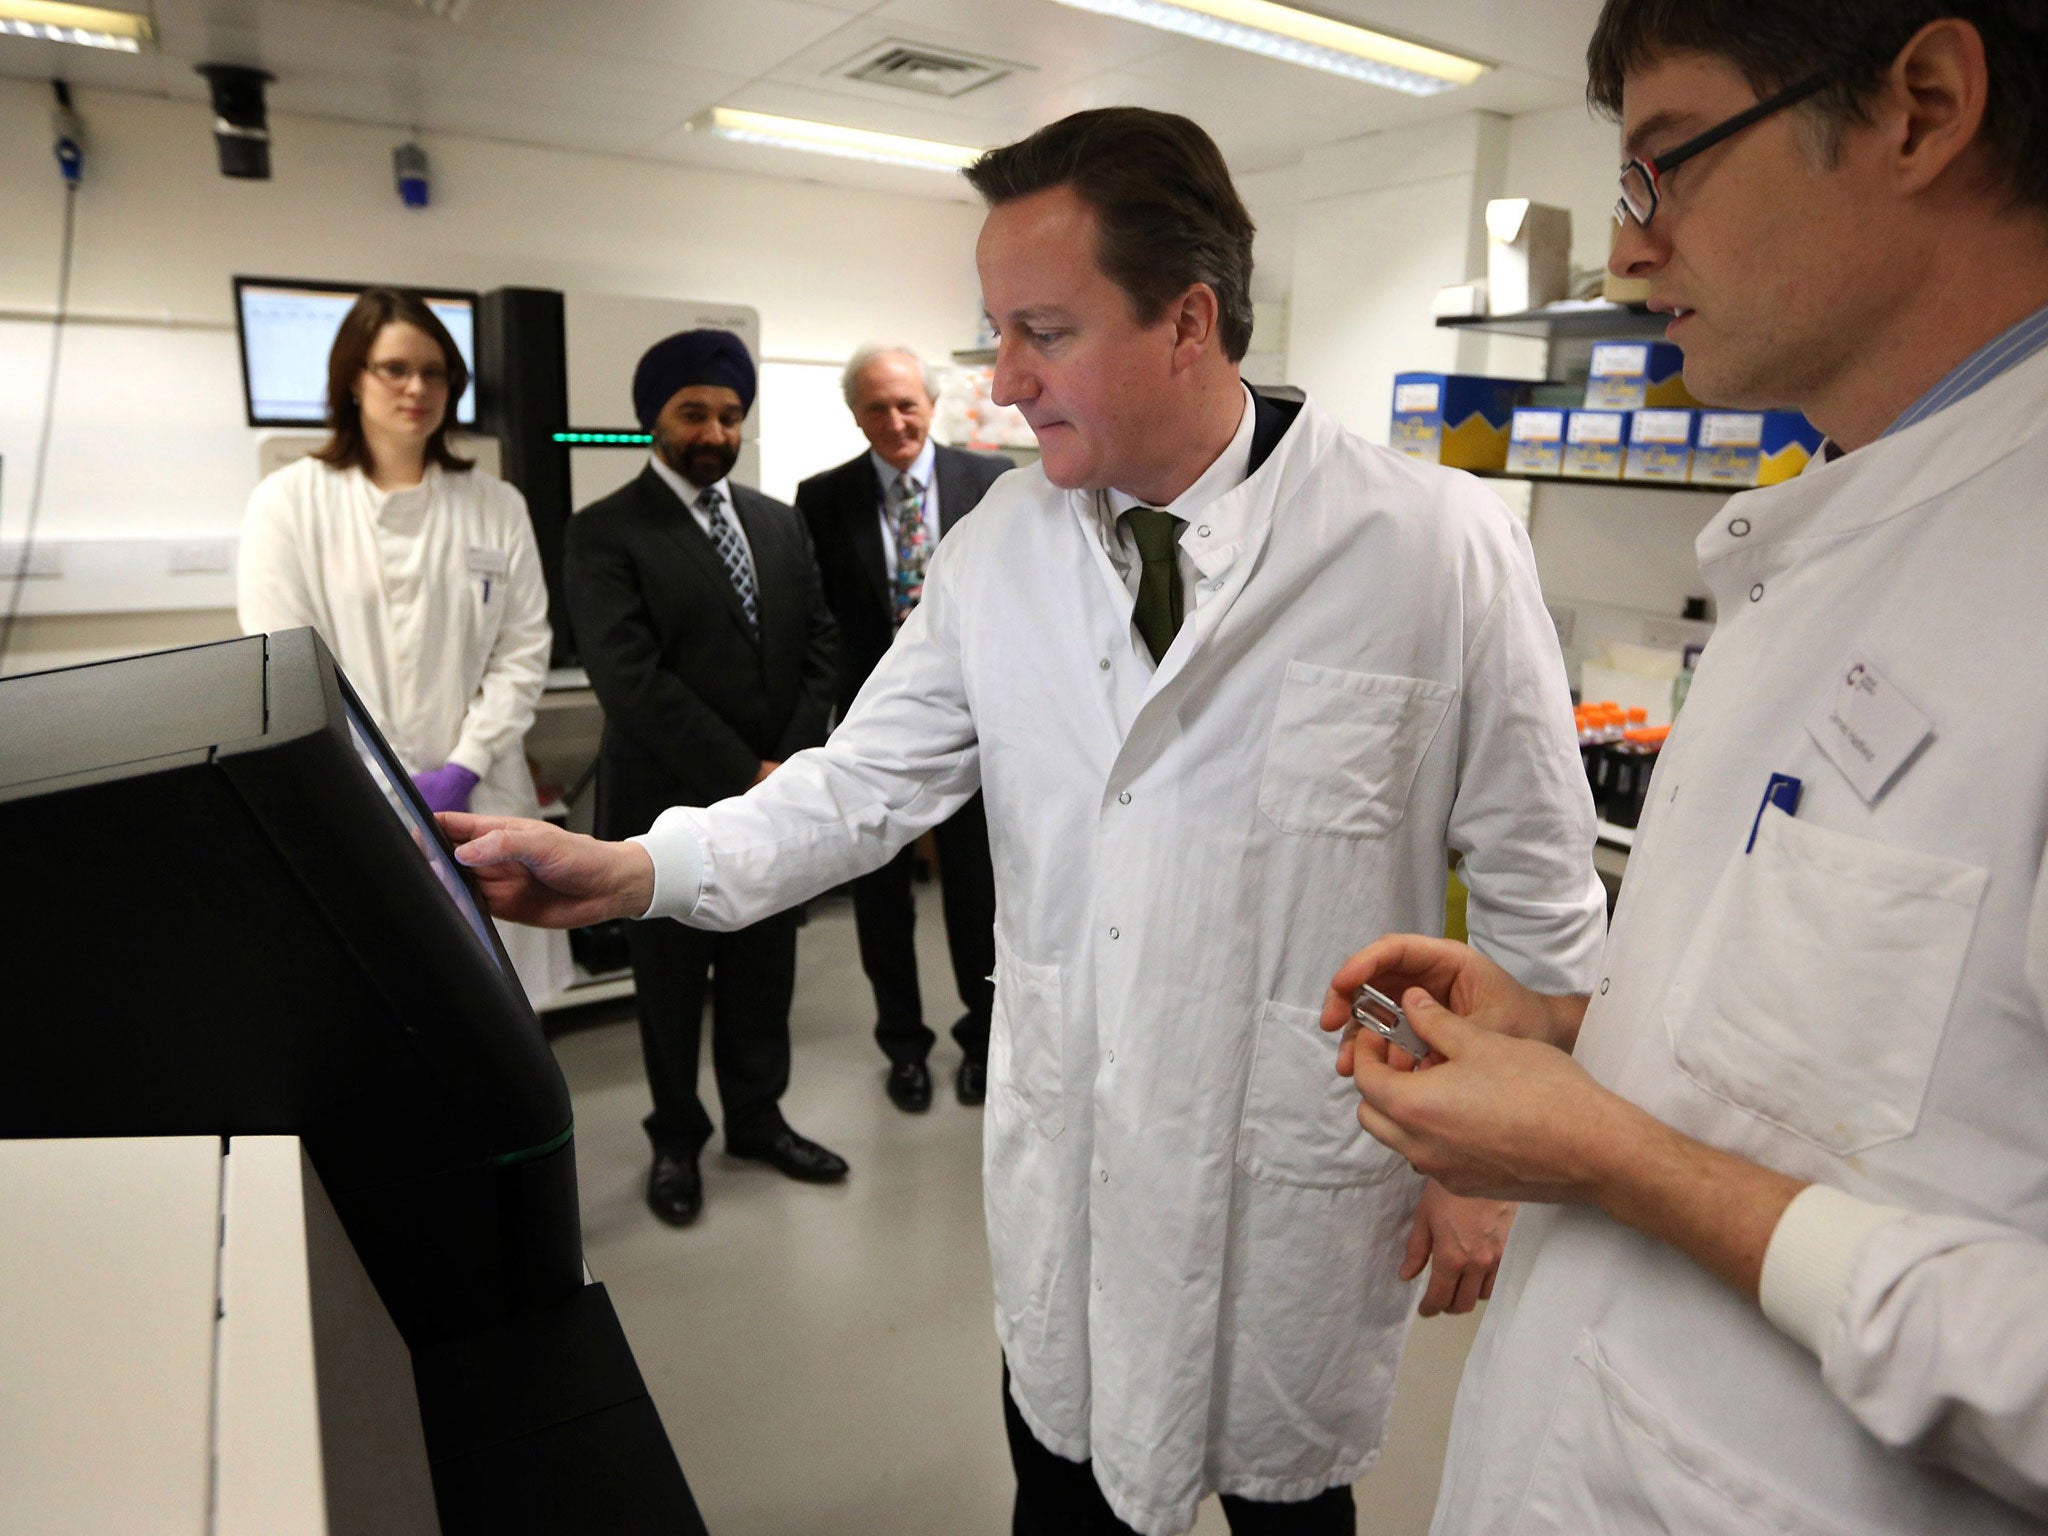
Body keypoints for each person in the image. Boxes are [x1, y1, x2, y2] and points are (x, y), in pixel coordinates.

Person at [442, 109, 1606, 1535]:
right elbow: (859, 784)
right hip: (1081, 1170)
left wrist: (1487, 1172)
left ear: (1189, 321)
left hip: (1291, 1188)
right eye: (995, 332)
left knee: (1290, 1506)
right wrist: (635, 867)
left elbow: (1547, 905)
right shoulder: (1003, 550)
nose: (1000, 380)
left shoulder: (1438, 546)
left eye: (1042, 332)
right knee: (1059, 1490)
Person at [1325, 5, 2048, 1530]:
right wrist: (1577, 1033)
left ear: (1921, 107)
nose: (1624, 255)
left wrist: (1615, 1155)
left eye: (1663, 165)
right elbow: (1893, 1062)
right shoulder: (1844, 523)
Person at [564, 329, 845, 1229]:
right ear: (656, 418)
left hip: (774, 803)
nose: (714, 431)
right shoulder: (605, 531)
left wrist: (790, 763)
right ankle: (676, 1138)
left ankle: (757, 1121)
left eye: (728, 414)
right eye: (694, 413)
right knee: (673, 982)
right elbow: (631, 681)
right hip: (664, 812)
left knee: (766, 970)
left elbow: (820, 648)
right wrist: (747, 771)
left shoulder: (776, 520)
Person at [237, 285, 569, 1007]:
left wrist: (464, 764)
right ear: (352, 379)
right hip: (354, 802)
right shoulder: (289, 502)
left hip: (481, 792)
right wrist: (386, 786)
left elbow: (522, 650)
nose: (417, 387)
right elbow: (283, 663)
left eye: (436, 371)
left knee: (502, 1017)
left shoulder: (497, 505)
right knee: (385, 1016)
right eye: (394, 368)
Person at [796, 344, 1010, 1112]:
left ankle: (984, 1039)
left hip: (978, 727)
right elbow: (816, 622)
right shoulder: (821, 499)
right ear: (857, 416)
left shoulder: (992, 485)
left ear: (931, 403)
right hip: (873, 735)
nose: (895, 421)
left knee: (977, 895)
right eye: (877, 408)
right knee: (880, 901)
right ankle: (904, 1046)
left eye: (907, 403)